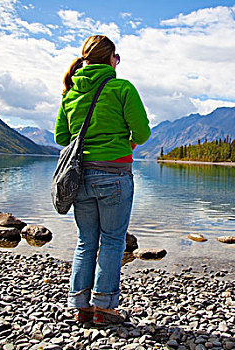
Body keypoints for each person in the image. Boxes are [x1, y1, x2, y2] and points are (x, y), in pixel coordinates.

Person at [54, 35, 150, 324]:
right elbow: (143, 134)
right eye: (116, 58)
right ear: (111, 59)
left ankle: (81, 306)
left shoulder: (70, 93)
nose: (116, 63)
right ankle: (105, 307)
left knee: (86, 240)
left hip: (80, 177)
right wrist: (127, 143)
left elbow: (61, 137)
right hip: (115, 175)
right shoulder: (122, 88)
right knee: (112, 241)